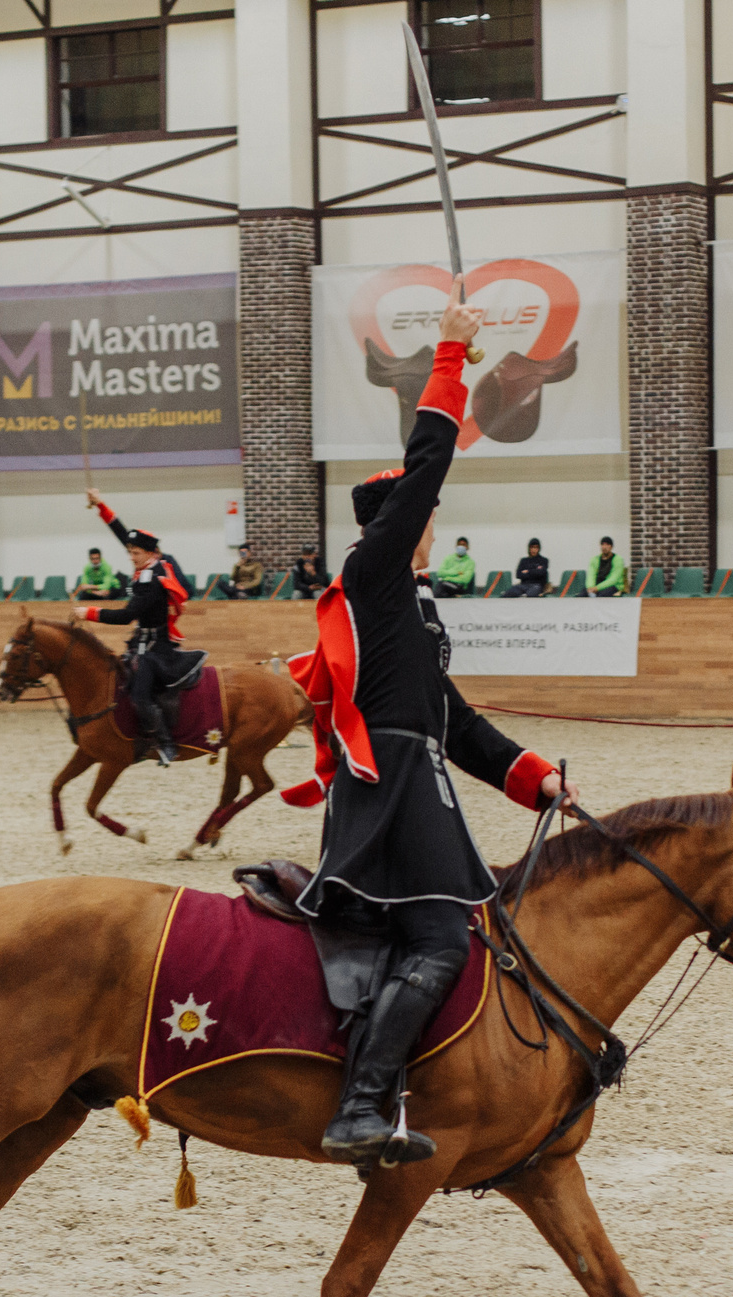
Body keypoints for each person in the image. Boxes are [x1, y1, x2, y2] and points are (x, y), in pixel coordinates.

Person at [282, 288, 571, 1167]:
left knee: (450, 935)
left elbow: (454, 721)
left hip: (422, 777)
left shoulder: (412, 610)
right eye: (421, 511)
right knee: (445, 937)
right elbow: (431, 460)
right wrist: (448, 356)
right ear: (396, 521)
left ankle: (397, 1082)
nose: (433, 521)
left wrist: (533, 777)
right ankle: (360, 1104)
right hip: (391, 788)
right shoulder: (373, 572)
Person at [74, 489, 191, 765]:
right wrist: (100, 505)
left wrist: (88, 612)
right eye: (130, 552)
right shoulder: (147, 564)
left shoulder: (153, 579)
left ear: (151, 553)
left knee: (139, 693)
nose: (130, 557)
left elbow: (126, 616)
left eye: (135, 553)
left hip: (158, 645)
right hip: (141, 640)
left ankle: (166, 744)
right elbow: (122, 532)